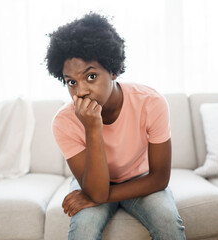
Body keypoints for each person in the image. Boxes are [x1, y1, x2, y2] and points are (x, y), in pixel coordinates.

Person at [45, 12, 186, 240]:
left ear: (113, 70)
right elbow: (95, 188)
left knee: (168, 222)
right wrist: (93, 128)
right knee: (82, 229)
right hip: (93, 180)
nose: (80, 91)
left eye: (90, 76)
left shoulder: (151, 102)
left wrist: (102, 196)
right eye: (71, 82)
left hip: (141, 179)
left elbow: (160, 178)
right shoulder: (64, 122)